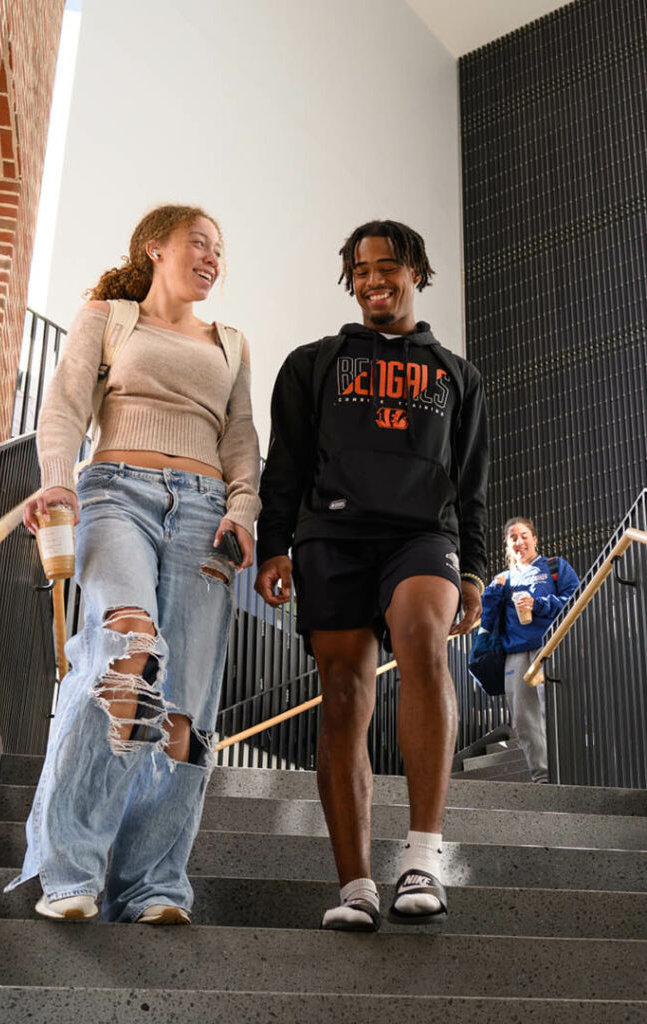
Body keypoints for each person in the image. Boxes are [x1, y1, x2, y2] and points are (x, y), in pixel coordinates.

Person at [5, 204, 260, 924]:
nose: (212, 257)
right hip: (118, 493)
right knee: (127, 652)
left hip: (206, 516)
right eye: (198, 243)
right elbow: (62, 407)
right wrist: (57, 476)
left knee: (186, 711)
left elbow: (242, 443)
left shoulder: (233, 344)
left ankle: (151, 887)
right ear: (156, 248)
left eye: (220, 249)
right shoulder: (108, 317)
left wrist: (243, 513)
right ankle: (69, 874)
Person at [253, 220, 488, 932]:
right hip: (332, 537)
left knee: (422, 637)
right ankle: (355, 883)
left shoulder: (457, 375)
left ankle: (422, 857)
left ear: (416, 271)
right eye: (360, 269)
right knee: (345, 694)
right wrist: (274, 547)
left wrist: (474, 570)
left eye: (387, 266)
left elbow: (470, 485)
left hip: (422, 535)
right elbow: (284, 467)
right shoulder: (312, 364)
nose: (373, 279)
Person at [480, 517, 579, 783]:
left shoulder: (555, 567)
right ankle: (542, 777)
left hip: (550, 646)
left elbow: (575, 600)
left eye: (524, 535)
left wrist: (539, 604)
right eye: (513, 537)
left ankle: (568, 771)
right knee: (524, 719)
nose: (519, 541)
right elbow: (487, 622)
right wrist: (492, 592)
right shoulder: (504, 579)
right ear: (507, 545)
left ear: (535, 539)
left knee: (555, 710)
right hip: (515, 655)